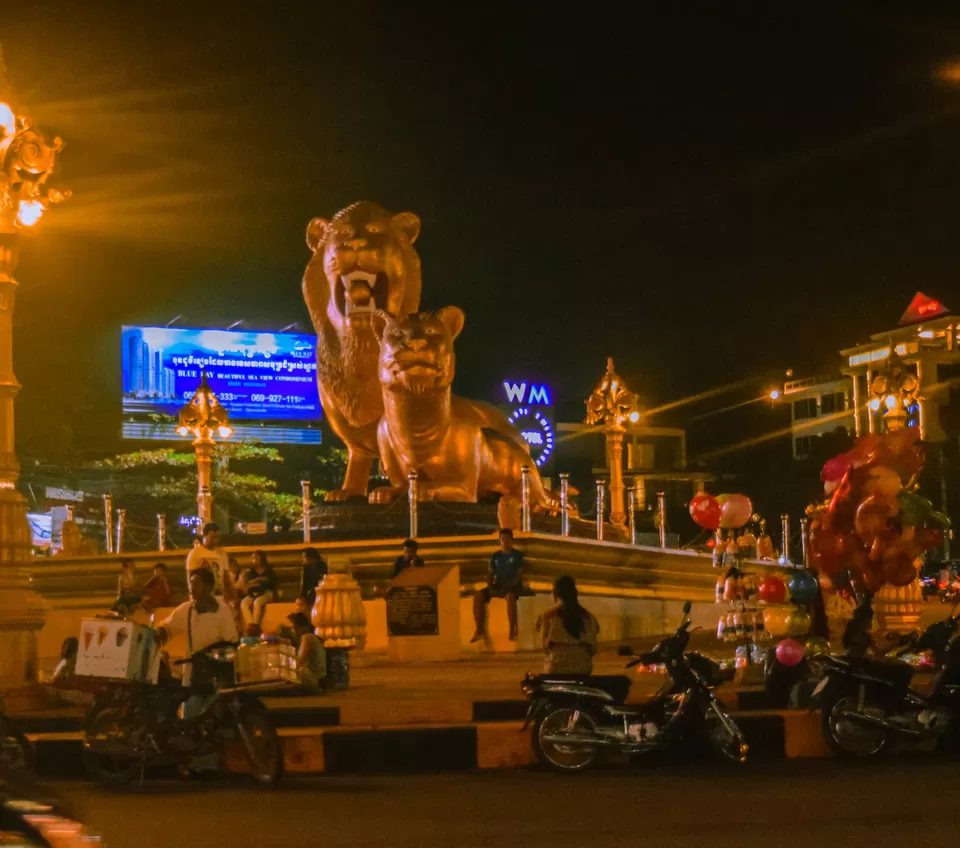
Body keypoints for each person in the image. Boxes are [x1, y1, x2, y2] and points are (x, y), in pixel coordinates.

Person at [156, 567, 238, 720]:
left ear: (208, 587)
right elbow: (166, 627)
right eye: (191, 584)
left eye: (196, 584)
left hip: (218, 679)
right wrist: (158, 632)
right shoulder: (186, 610)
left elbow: (231, 645)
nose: (191, 588)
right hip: (194, 680)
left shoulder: (223, 612)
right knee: (189, 719)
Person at [536, 576, 599, 674]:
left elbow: (545, 648)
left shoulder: (547, 617)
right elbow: (593, 649)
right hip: (582, 669)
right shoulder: (588, 617)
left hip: (555, 668)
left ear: (555, 595)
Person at [472, 528, 525, 642]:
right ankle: (479, 630)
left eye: (507, 539)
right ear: (499, 541)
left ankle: (512, 630)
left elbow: (519, 575)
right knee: (478, 596)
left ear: (512, 540)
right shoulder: (495, 556)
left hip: (512, 586)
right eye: (502, 539)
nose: (505, 542)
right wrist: (490, 583)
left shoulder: (517, 555)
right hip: (499, 584)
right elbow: (491, 573)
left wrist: (509, 586)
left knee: (510, 597)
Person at [288, 612, 326, 691]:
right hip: (318, 679)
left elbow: (301, 660)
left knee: (299, 671)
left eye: (295, 626)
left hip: (314, 679)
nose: (293, 629)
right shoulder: (311, 637)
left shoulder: (307, 638)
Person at [240, 550, 278, 626]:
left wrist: (256, 582)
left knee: (257, 602)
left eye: (256, 558)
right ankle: (250, 624)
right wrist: (258, 580)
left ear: (262, 558)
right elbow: (249, 584)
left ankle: (255, 625)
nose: (254, 560)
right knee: (244, 603)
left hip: (267, 593)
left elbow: (271, 583)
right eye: (253, 558)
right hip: (254, 593)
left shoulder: (269, 570)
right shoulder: (252, 571)